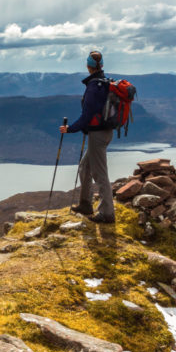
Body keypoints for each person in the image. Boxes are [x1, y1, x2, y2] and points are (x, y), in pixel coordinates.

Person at [58, 50, 115, 224]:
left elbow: (87, 115)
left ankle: (107, 213)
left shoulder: (94, 86)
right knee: (85, 167)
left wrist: (70, 129)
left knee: (100, 173)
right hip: (105, 131)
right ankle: (85, 204)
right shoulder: (105, 83)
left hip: (97, 135)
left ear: (88, 66)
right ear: (102, 65)